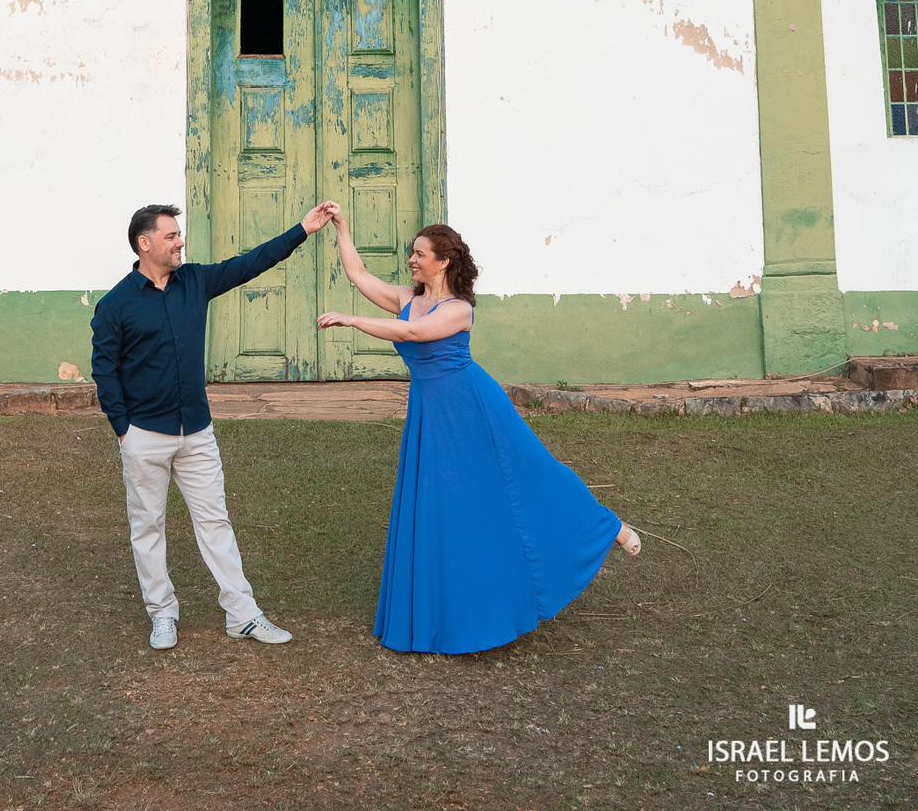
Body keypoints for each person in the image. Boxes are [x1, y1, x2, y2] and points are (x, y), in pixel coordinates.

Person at [316, 207, 640, 655]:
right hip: (431, 412)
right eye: (412, 253)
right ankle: (452, 610)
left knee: (534, 474)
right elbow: (357, 274)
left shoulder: (459, 309)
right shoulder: (406, 298)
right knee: (449, 505)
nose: (412, 260)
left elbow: (413, 333)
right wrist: (343, 227)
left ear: (443, 261)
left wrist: (352, 321)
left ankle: (606, 527)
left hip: (473, 407)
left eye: (419, 254)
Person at [92, 200, 334, 650]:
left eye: (178, 234)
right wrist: (124, 430)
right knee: (148, 527)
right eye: (170, 236)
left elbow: (251, 263)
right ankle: (162, 612)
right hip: (144, 436)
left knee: (215, 523)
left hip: (197, 433)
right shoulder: (115, 305)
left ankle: (242, 615)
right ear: (145, 244)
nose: (180, 241)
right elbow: (105, 371)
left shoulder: (196, 281)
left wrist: (304, 228)